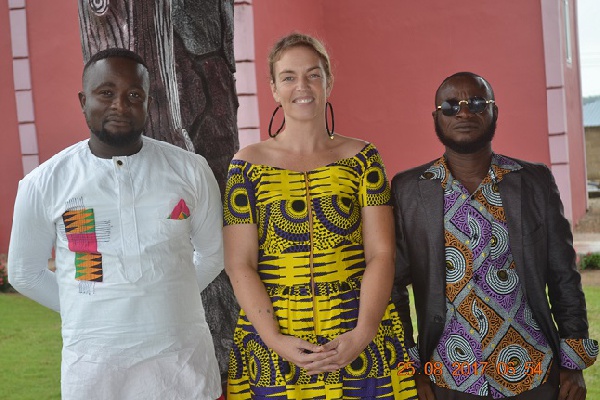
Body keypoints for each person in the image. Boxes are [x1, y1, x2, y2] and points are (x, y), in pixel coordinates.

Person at [8, 48, 224, 400]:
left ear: (148, 103)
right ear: (83, 100)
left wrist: (163, 298)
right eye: (106, 93)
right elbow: (24, 273)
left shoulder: (189, 170)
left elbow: (213, 256)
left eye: (133, 95)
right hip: (94, 371)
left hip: (183, 366)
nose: (120, 105)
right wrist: (93, 306)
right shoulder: (45, 182)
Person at [222, 32, 417, 399]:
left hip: (357, 334)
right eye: (289, 76)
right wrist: (276, 340)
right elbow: (239, 263)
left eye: (313, 74)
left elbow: (381, 254)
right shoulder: (245, 166)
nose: (303, 86)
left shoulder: (363, 159)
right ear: (274, 89)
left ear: (328, 81)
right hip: (276, 338)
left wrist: (362, 333)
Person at [391, 71, 598, 400]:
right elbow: (393, 287)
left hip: (532, 373)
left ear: (494, 112)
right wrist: (411, 370)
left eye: (476, 102)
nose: (463, 112)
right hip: (448, 376)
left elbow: (564, 277)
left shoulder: (534, 182)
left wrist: (573, 364)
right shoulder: (409, 190)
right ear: (436, 117)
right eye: (450, 105)